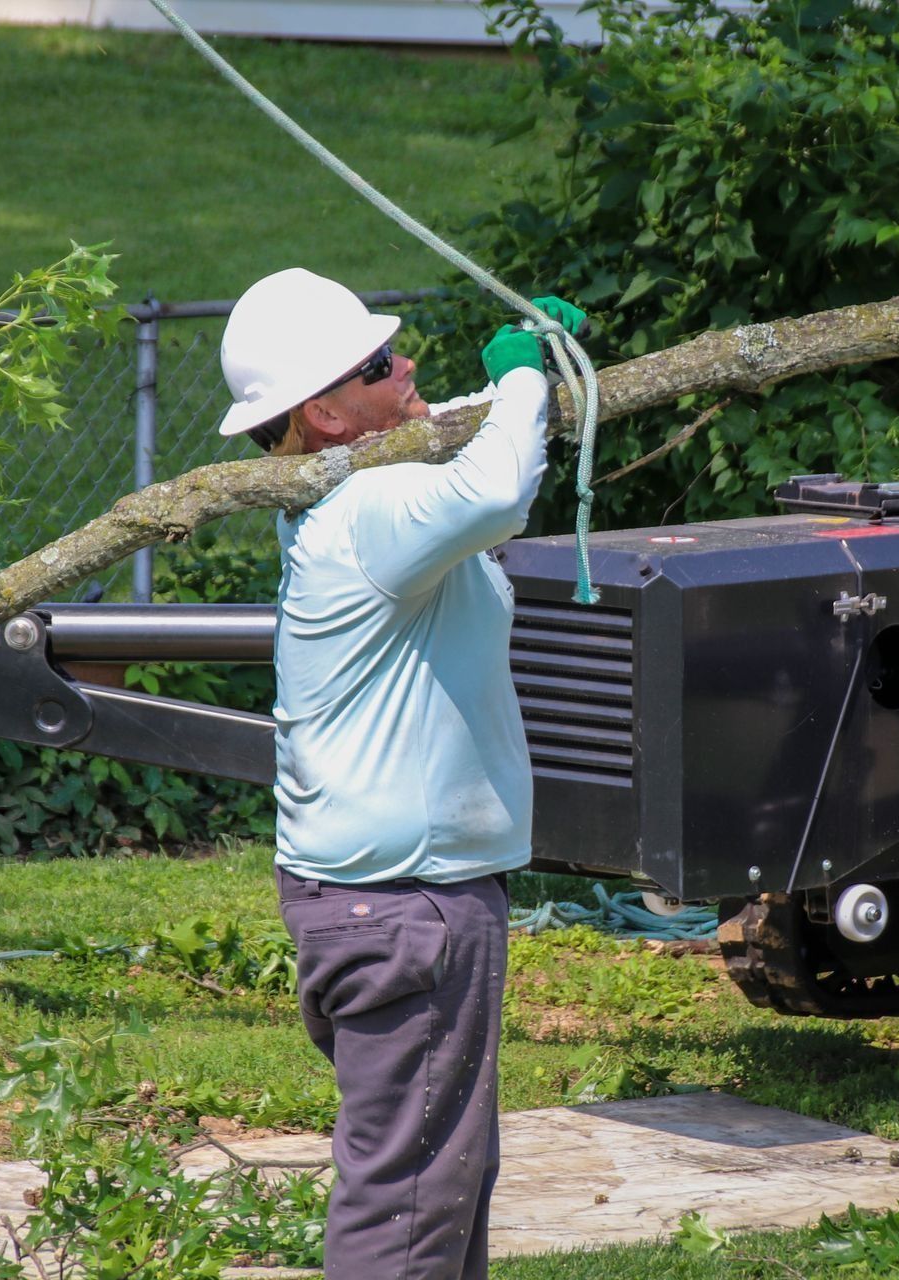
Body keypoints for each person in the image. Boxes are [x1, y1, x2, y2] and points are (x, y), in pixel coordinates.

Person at [214, 268, 588, 1279]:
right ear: (325, 411)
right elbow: (498, 486)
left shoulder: (350, 491)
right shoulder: (371, 510)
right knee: (410, 1207)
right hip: (407, 908)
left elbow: (463, 444)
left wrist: (528, 378)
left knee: (440, 1183)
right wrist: (517, 383)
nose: (407, 363)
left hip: (387, 900)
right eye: (378, 365)